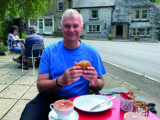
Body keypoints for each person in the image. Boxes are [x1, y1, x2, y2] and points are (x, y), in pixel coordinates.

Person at [20, 9, 106, 120]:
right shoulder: (49, 51)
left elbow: (100, 83)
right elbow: (41, 86)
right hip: (50, 98)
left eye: (75, 26)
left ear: (81, 27)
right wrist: (60, 81)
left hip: (80, 102)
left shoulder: (92, 52)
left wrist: (94, 82)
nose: (71, 30)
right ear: (61, 26)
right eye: (67, 26)